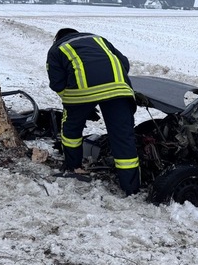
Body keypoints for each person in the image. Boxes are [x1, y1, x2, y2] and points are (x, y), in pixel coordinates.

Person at [46, 28, 140, 196]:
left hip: (80, 94)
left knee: (71, 131)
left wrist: (79, 105)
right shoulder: (99, 40)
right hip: (118, 90)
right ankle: (130, 187)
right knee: (123, 137)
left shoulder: (56, 49)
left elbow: (57, 84)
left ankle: (73, 166)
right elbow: (124, 63)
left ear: (57, 38)